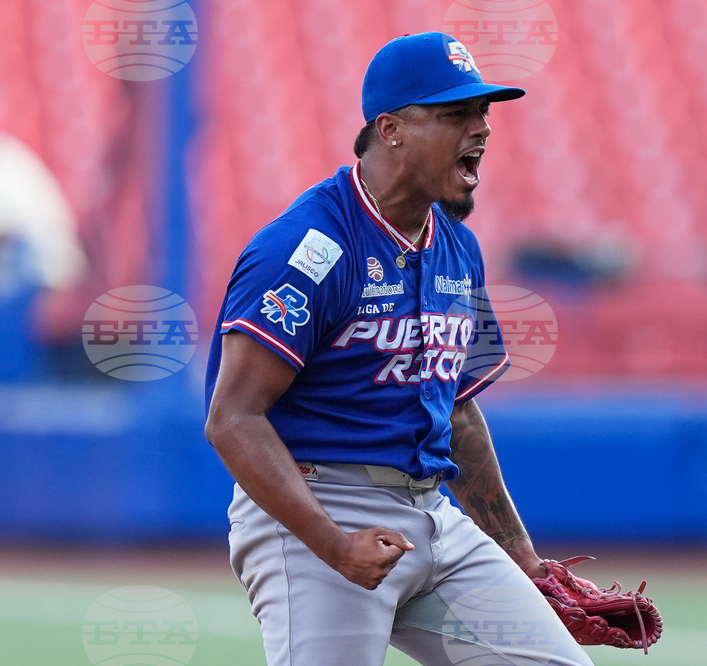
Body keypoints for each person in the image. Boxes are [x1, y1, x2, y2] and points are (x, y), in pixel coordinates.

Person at [204, 32, 594, 666]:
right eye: (455, 114)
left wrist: (524, 559)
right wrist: (332, 544)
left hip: (433, 513)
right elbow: (232, 419)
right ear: (390, 129)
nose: (481, 129)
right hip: (318, 510)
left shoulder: (457, 245)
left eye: (483, 113)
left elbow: (459, 411)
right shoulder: (307, 248)